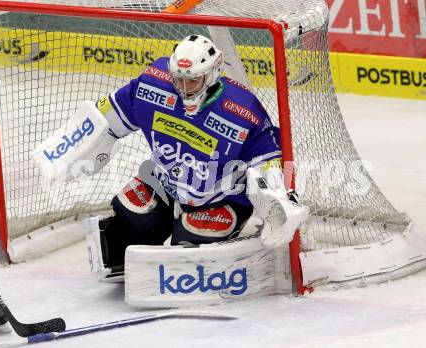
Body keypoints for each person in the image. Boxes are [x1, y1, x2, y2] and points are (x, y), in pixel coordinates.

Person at [33, 34, 308, 280]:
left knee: (189, 247)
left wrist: (279, 204)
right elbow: (105, 116)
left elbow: (269, 158)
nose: (184, 88)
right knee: (129, 218)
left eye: (193, 80)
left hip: (219, 198)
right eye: (179, 79)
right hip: (165, 183)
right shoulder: (152, 85)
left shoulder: (242, 110)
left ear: (213, 73)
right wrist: (66, 150)